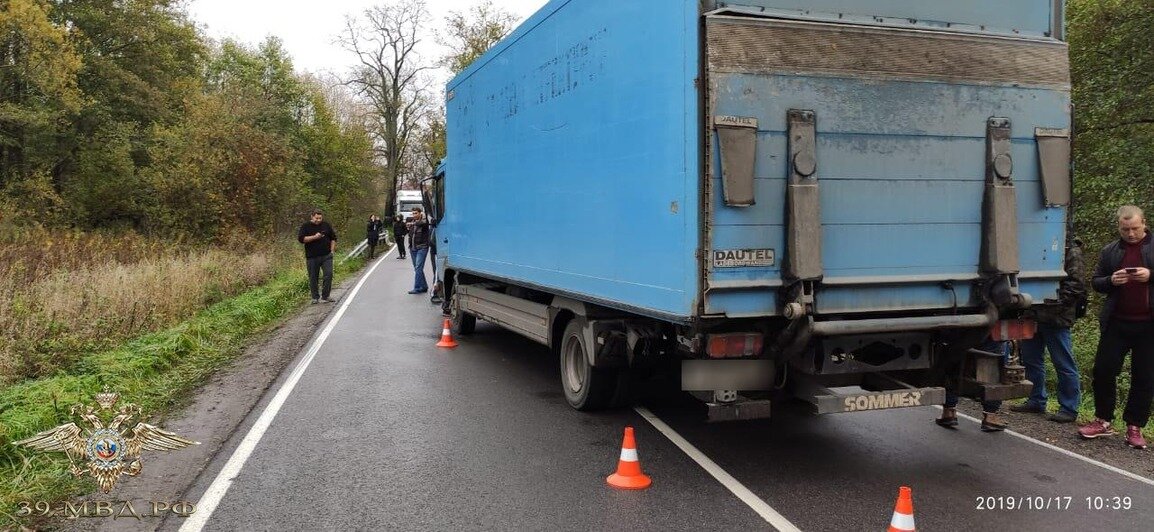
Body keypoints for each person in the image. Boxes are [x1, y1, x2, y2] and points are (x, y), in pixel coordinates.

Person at [1078, 205, 1152, 450]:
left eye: (1134, 228)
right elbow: (1096, 281)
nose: (1130, 234)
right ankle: (1103, 420)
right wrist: (1111, 280)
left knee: (1144, 376)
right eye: (1125, 229)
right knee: (1103, 370)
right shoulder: (1111, 250)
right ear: (1119, 227)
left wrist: (1150, 275)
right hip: (1117, 321)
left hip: (1148, 324)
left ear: (1144, 224)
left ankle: (1134, 426)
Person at [1010, 238, 1086, 423]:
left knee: (1063, 362)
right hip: (1031, 313)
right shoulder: (1032, 246)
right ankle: (1036, 399)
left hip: (1056, 317)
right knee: (1031, 359)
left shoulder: (1070, 251)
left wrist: (1054, 303)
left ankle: (1069, 407)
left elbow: (1076, 285)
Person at [936, 339, 1010, 432]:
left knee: (953, 357)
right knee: (989, 360)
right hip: (988, 328)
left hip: (957, 327)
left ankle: (949, 411)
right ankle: (990, 415)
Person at [297, 210, 338, 304]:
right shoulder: (305, 226)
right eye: (317, 218)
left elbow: (333, 238)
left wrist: (332, 250)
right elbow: (301, 239)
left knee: (329, 274)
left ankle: (325, 296)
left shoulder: (326, 225)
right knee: (313, 277)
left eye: (320, 218)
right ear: (312, 217)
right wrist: (314, 237)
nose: (318, 220)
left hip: (326, 255)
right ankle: (315, 297)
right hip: (312, 257)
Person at [406, 207, 431, 294]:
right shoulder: (412, 222)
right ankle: (424, 286)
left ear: (420, 213)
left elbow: (424, 223)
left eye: (416, 213)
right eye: (413, 213)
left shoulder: (424, 221)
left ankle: (416, 287)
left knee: (418, 268)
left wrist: (413, 224)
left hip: (422, 248)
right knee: (417, 268)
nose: (414, 215)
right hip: (413, 248)